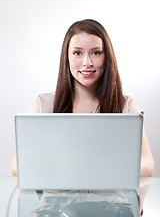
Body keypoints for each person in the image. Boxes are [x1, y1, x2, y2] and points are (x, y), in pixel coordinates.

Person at [12, 19, 154, 178]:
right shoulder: (43, 105)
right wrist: (67, 169)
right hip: (58, 199)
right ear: (67, 57)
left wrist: (94, 169)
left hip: (111, 199)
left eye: (96, 52)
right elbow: (17, 165)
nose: (87, 63)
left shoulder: (126, 106)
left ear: (106, 56)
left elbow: (148, 164)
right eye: (77, 53)